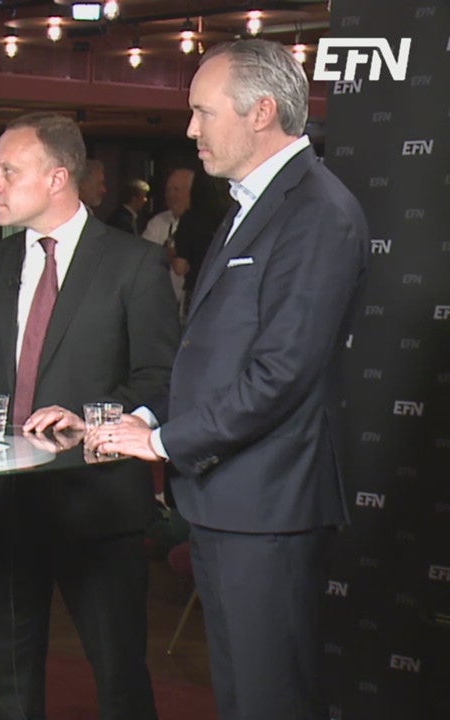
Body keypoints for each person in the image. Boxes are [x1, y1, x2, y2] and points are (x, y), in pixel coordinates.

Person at [88, 40, 368, 720]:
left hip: (269, 507)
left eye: (203, 112)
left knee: (272, 700)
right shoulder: (248, 205)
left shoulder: (317, 211)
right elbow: (212, 354)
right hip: (228, 503)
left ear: (261, 112)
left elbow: (280, 375)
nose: (190, 129)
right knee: (244, 698)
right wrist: (146, 418)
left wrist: (163, 443)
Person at [0, 112, 177, 720]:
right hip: (4, 505)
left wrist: (96, 418)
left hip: (99, 504)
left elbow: (161, 377)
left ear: (58, 177)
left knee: (120, 681)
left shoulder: (133, 264)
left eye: (7, 171)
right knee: (9, 688)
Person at [171, 171, 231, 313]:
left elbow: (180, 267)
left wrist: (170, 253)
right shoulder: (231, 216)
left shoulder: (190, 219)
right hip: (226, 289)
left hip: (196, 288)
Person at [142, 168, 196, 303]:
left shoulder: (202, 226)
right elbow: (143, 258)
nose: (171, 195)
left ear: (191, 192)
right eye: (168, 190)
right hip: (159, 301)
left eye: (176, 190)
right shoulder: (157, 222)